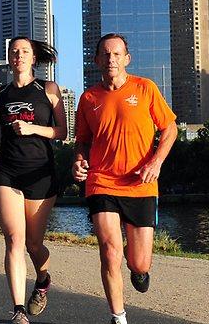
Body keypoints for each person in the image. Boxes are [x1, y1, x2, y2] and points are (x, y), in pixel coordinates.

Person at [72, 33, 177, 324]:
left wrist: (156, 162)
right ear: (96, 61)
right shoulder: (88, 98)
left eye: (117, 54)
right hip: (102, 182)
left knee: (139, 262)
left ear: (127, 59)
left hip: (141, 183)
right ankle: (118, 317)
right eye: (105, 54)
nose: (111, 59)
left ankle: (138, 268)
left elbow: (169, 129)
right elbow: (81, 141)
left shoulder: (145, 88)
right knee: (109, 251)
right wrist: (79, 160)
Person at [0, 36, 67, 324]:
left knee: (33, 244)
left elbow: (63, 133)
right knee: (14, 241)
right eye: (14, 51)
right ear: (8, 57)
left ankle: (42, 280)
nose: (18, 55)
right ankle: (18, 311)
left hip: (40, 173)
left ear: (33, 58)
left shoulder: (49, 90)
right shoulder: (0, 94)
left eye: (24, 51)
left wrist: (33, 128)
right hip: (7, 172)